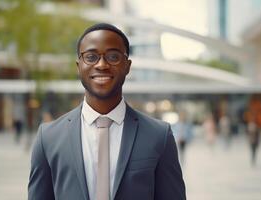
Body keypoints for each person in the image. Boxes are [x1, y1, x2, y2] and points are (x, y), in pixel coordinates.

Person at [28, 23, 186, 200]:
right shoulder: (48, 137)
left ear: (127, 66)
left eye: (113, 56)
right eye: (91, 57)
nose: (102, 64)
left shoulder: (159, 135)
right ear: (78, 66)